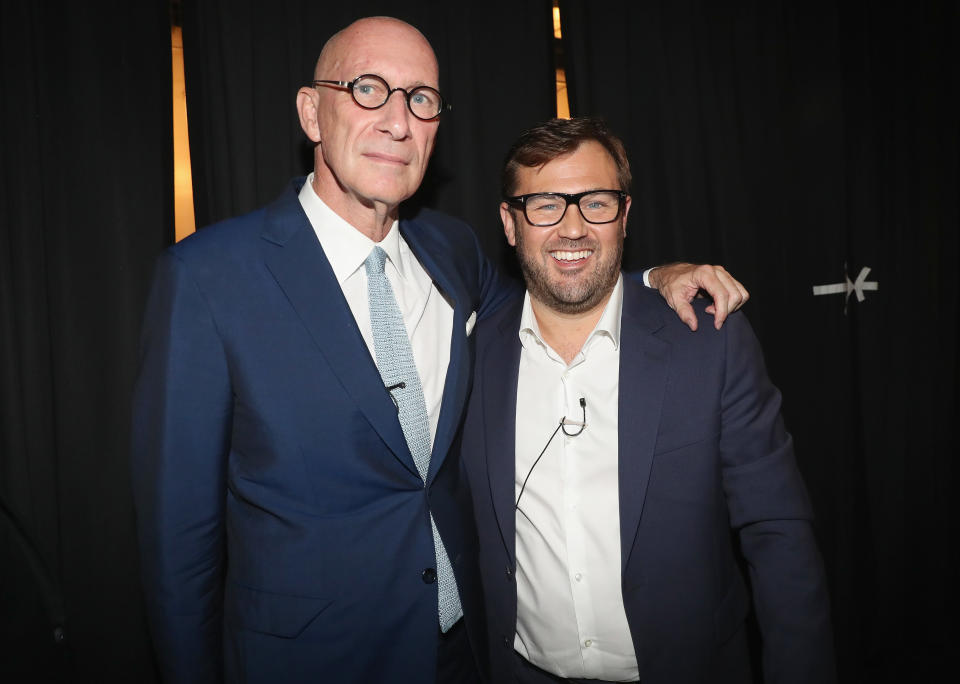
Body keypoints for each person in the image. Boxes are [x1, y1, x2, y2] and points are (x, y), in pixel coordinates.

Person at [131, 17, 748, 684]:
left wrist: (652, 278)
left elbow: (546, 295)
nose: (398, 121)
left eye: (421, 99)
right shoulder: (208, 278)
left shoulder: (449, 250)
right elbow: (178, 547)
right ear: (312, 112)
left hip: (466, 654)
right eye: (369, 89)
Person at [460, 117, 836, 684]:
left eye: (596, 202)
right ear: (509, 224)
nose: (572, 227)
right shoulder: (470, 355)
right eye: (543, 204)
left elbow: (777, 530)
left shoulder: (708, 341)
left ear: (625, 216)